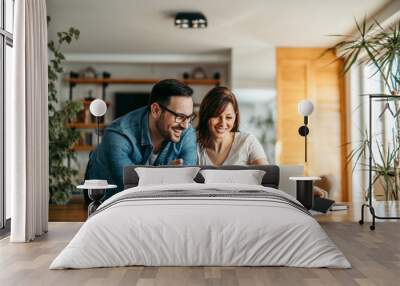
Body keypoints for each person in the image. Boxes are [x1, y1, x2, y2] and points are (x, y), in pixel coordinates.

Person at [86, 79, 197, 199]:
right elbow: (134, 188)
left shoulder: (187, 132)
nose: (185, 125)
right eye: (180, 117)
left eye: (189, 117)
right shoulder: (117, 135)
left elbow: (187, 184)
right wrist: (168, 176)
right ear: (156, 110)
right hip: (106, 201)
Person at [196, 86, 268, 166]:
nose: (223, 123)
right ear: (206, 115)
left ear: (235, 117)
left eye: (228, 117)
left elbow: (267, 176)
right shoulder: (193, 143)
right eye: (216, 116)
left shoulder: (247, 142)